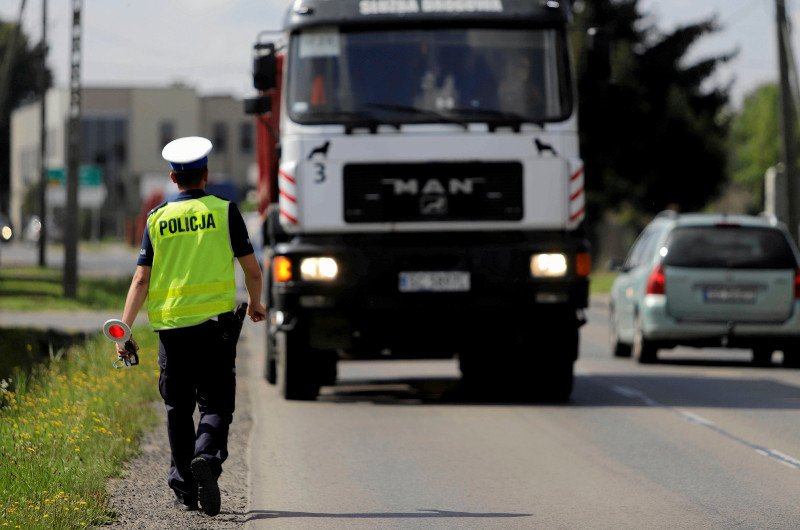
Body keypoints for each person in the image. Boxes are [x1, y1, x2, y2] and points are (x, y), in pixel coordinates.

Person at [115, 136, 267, 516]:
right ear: (206, 175)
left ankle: (185, 487)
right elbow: (252, 269)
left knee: (178, 408)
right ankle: (207, 457)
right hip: (215, 328)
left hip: (172, 331)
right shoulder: (224, 211)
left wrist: (123, 331)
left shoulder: (157, 219)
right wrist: (255, 303)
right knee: (217, 404)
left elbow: (141, 279)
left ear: (172, 178)